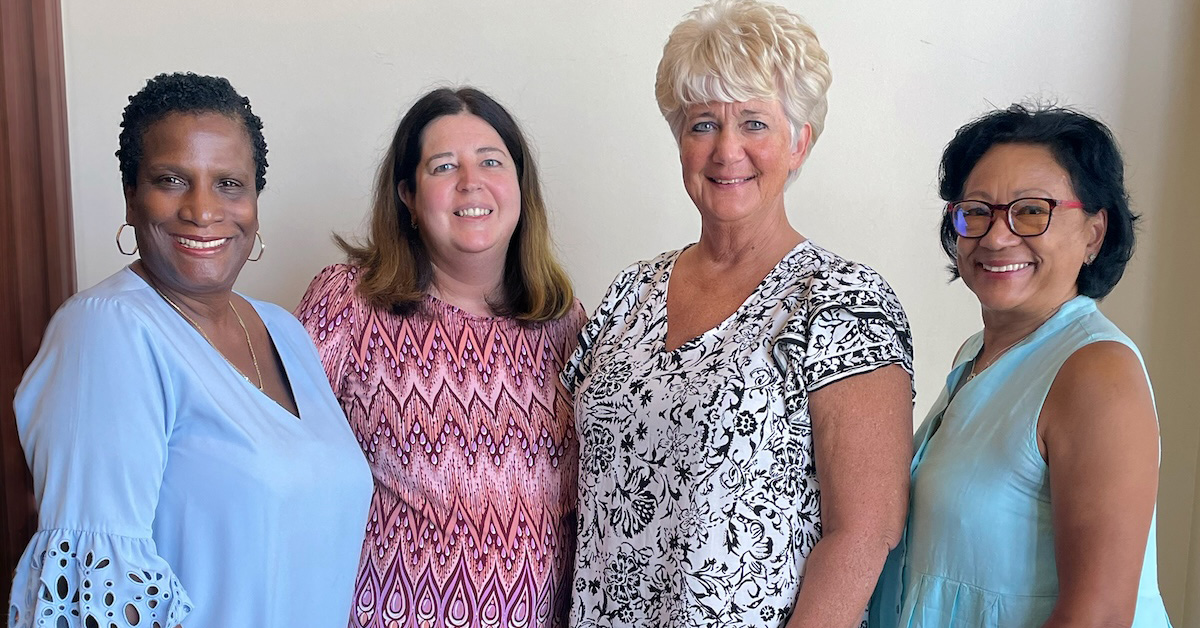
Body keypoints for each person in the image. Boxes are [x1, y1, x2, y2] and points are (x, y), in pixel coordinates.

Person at [561, 1, 915, 626]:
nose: (727, 150)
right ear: (679, 141)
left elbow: (865, 531)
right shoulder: (628, 295)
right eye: (702, 125)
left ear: (800, 141)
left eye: (754, 122)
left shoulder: (844, 300)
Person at [7, 73, 372, 628]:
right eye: (172, 179)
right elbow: (96, 601)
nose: (202, 210)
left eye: (229, 184)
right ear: (132, 196)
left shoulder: (285, 333)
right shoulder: (108, 333)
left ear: (254, 203)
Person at [296, 87, 586, 628]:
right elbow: (277, 469)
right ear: (407, 195)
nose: (471, 182)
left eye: (491, 162)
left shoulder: (564, 321)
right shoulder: (347, 303)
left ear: (520, 186)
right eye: (444, 166)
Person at [878, 104, 1172, 626]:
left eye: (1032, 211)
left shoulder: (1097, 372)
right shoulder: (974, 354)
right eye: (977, 211)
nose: (996, 236)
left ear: (1094, 233)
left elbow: (1099, 615)